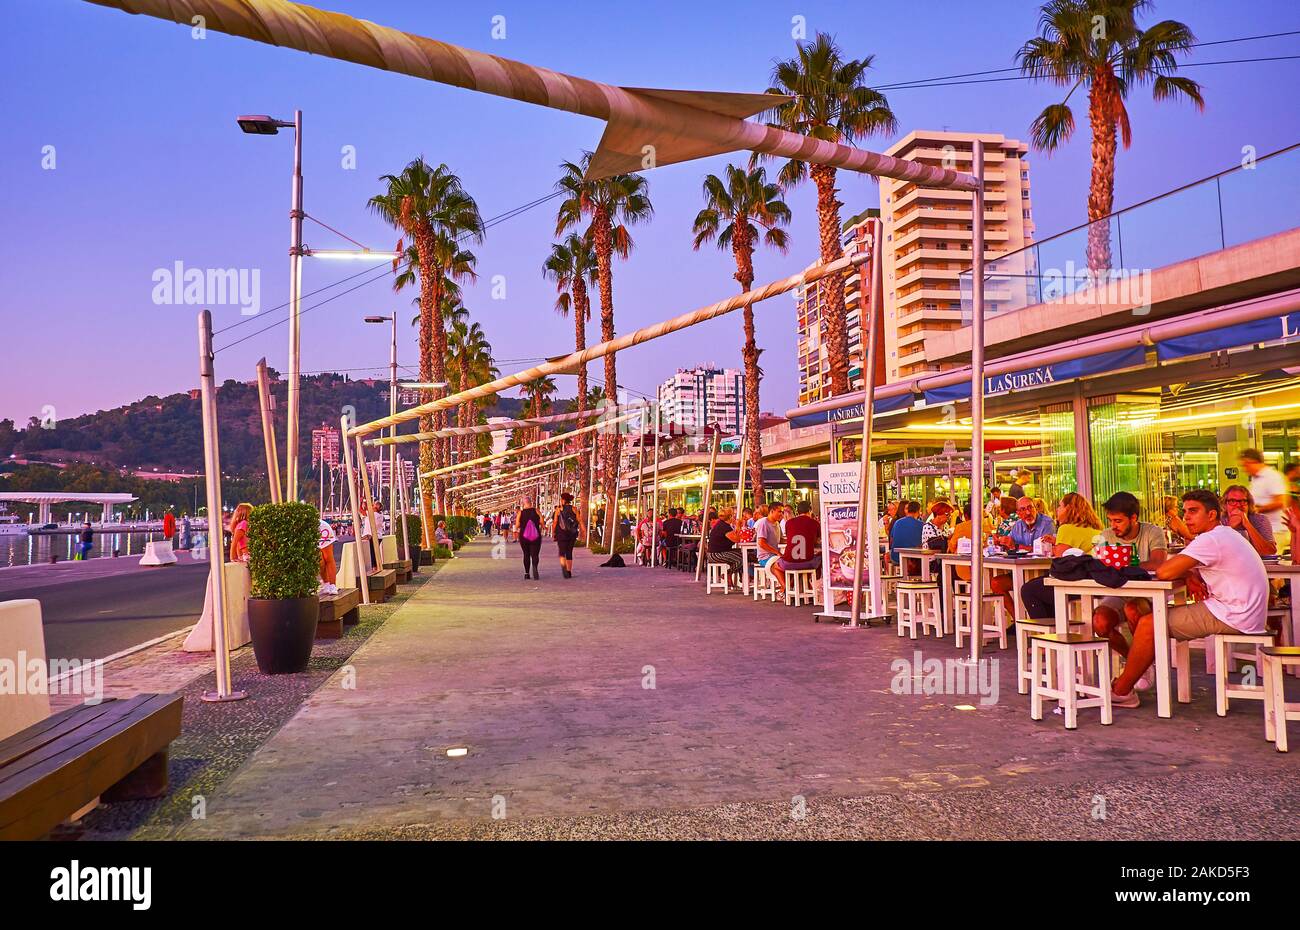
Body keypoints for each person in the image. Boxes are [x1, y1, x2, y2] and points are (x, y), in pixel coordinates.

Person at [1112, 490, 1270, 708]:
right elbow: (1185, 567)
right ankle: (1140, 668)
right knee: (1137, 609)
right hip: (1243, 610)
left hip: (1234, 613)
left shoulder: (1211, 539)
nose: (1186, 517)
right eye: (1184, 511)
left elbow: (1165, 572)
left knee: (1149, 623)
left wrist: (1185, 567)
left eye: (1193, 511)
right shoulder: (1224, 534)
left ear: (1212, 514)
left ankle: (1121, 691)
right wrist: (1188, 573)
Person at [1088, 491, 1169, 669]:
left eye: (1118, 521)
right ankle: (1140, 664)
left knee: (1133, 609)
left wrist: (1126, 567)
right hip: (1118, 592)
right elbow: (1098, 564)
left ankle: (1139, 665)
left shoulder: (1152, 532)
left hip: (1149, 594)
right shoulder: (1106, 535)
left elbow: (1158, 563)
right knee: (1100, 622)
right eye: (1110, 520)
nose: (1113, 526)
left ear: (1133, 518)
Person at [1019, 493, 1103, 619]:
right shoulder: (1097, 529)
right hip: (1095, 582)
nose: (1057, 509)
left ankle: (1045, 633)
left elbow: (1059, 564)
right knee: (1039, 585)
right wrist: (1056, 543)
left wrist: (1056, 546)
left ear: (1069, 509)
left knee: (1028, 589)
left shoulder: (1066, 529)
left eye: (1060, 506)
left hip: (1074, 583)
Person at [771, 499, 820, 593]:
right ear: (810, 511)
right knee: (820, 558)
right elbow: (817, 540)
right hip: (808, 562)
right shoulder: (815, 523)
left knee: (775, 566)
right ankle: (809, 584)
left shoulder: (789, 523)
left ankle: (787, 588)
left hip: (789, 561)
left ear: (797, 512)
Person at [1218, 484, 1277, 557]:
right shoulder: (1219, 521)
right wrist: (1230, 528)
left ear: (1249, 504)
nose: (1238, 505)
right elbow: (1214, 552)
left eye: (1243, 501)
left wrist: (1247, 524)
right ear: (1225, 505)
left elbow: (1269, 552)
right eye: (1232, 501)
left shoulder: (1260, 520)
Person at [1240, 448, 1287, 536]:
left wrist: (1257, 509)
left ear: (1252, 462)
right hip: (1262, 530)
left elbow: (1280, 502)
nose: (1244, 469)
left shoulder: (1272, 476)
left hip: (1275, 531)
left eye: (1245, 465)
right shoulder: (1255, 479)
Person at [706, 507, 744, 582]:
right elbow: (737, 539)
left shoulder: (722, 524)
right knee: (741, 559)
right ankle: (727, 574)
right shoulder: (724, 527)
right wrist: (738, 526)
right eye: (733, 515)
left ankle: (741, 578)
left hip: (718, 552)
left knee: (743, 554)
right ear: (730, 516)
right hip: (716, 554)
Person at [752, 503, 783, 592]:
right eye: (779, 512)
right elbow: (761, 543)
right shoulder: (763, 523)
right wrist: (777, 552)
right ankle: (784, 589)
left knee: (789, 564)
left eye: (782, 512)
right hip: (765, 557)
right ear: (772, 511)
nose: (781, 514)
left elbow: (781, 540)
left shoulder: (777, 523)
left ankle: (785, 588)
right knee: (779, 566)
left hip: (774, 556)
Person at [552, 492, 580, 578]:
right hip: (572, 533)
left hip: (561, 533)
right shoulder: (574, 509)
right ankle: (569, 571)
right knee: (569, 552)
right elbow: (579, 520)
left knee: (561, 552)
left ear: (563, 500)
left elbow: (555, 522)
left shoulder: (558, 509)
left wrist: (553, 532)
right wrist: (582, 530)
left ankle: (564, 567)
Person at [888, 501, 924, 567]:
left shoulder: (897, 522)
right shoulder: (921, 524)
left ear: (907, 510)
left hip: (895, 557)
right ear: (918, 511)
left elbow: (891, 539)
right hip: (914, 559)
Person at [517, 497, 543, 580]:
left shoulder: (520, 513)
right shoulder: (536, 510)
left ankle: (527, 573)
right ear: (531, 502)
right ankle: (535, 567)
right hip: (535, 535)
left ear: (523, 503)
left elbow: (517, 525)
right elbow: (542, 522)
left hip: (524, 535)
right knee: (535, 554)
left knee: (526, 554)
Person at [318, 518, 338, 595]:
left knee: (328, 558)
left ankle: (332, 585)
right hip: (306, 528)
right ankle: (326, 583)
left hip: (322, 528)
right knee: (320, 560)